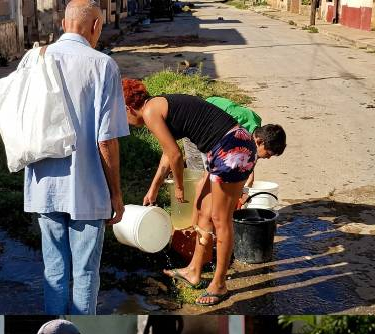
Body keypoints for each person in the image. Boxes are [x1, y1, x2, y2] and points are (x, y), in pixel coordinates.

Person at [122, 79, 286, 306]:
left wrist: (178, 186)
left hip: (231, 150)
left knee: (221, 219)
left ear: (128, 107)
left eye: (123, 115)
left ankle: (219, 284)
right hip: (228, 147)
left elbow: (176, 156)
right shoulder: (157, 106)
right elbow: (167, 154)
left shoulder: (150, 112)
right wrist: (155, 187)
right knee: (203, 214)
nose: (127, 122)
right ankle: (194, 271)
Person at [24, 0, 129, 315]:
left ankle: (57, 328)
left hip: (44, 185)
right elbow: (106, 139)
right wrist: (116, 194)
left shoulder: (34, 60)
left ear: (62, 23)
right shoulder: (102, 65)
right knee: (85, 273)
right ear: (96, 26)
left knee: (53, 271)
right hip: (87, 189)